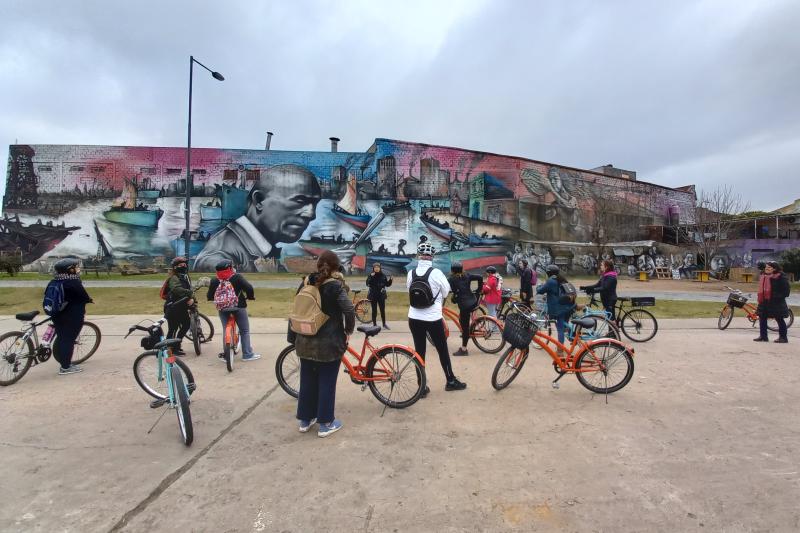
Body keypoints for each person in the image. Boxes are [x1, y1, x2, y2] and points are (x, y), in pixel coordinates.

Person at [194, 164, 322, 272]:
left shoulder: (255, 251)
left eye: (315, 204)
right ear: (259, 200)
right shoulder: (217, 259)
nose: (311, 214)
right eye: (299, 201)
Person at [288, 250, 355, 437]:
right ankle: (326, 423)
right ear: (336, 266)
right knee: (327, 382)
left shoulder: (306, 281)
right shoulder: (335, 286)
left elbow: (297, 309)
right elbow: (349, 310)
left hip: (304, 341)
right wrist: (348, 330)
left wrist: (293, 338)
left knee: (307, 380)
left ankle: (305, 419)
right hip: (329, 344)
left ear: (318, 265)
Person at [407, 242, 466, 394]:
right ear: (431, 257)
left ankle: (421, 387)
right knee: (442, 349)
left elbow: (410, 290)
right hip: (433, 318)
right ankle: (450, 381)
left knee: (419, 351)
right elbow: (446, 292)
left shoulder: (411, 273)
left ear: (418, 256)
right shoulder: (437, 273)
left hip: (414, 317)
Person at [207, 260, 260, 361]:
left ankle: (227, 356)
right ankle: (247, 354)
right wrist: (250, 296)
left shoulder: (215, 280)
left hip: (223, 309)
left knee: (225, 329)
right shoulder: (237, 277)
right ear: (230, 268)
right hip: (238, 306)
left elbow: (210, 295)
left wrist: (211, 299)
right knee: (244, 331)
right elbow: (249, 288)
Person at [49, 258, 92, 375]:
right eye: (75, 267)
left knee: (63, 337)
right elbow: (84, 297)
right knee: (68, 340)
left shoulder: (55, 281)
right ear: (70, 270)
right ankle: (65, 367)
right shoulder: (73, 282)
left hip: (57, 314)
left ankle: (64, 361)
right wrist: (89, 300)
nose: (78, 269)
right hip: (71, 316)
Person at [447, 262, 483, 356]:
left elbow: (445, 288)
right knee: (461, 319)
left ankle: (464, 350)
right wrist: (479, 290)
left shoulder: (451, 279)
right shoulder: (467, 275)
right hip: (473, 301)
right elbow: (480, 277)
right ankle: (465, 334)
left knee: (465, 327)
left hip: (465, 306)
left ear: (452, 270)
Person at [536, 264, 576, 346]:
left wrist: (538, 287)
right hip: (567, 306)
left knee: (560, 329)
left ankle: (560, 349)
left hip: (558, 308)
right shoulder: (561, 279)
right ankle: (573, 336)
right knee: (565, 325)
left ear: (548, 273)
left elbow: (540, 291)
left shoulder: (551, 281)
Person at [753, 261, 791, 343]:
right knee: (762, 318)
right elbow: (761, 268)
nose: (767, 268)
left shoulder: (781, 277)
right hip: (764, 301)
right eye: (766, 267)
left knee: (779, 319)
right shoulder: (764, 275)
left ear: (775, 269)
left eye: (769, 267)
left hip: (776, 302)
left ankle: (783, 338)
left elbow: (786, 292)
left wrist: (776, 297)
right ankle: (763, 337)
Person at [163, 257, 193, 356]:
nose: (184, 266)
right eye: (181, 265)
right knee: (173, 329)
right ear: (175, 267)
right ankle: (168, 349)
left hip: (181, 307)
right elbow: (177, 289)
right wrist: (189, 293)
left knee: (186, 325)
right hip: (173, 307)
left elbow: (189, 290)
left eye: (185, 264)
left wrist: (192, 299)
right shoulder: (173, 278)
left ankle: (176, 345)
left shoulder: (184, 277)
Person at [366, 263, 392, 329]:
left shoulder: (383, 275)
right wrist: (371, 277)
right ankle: (374, 324)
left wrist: (390, 280)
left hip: (381, 295)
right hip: (373, 295)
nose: (376, 268)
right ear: (373, 268)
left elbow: (387, 284)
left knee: (382, 310)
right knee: (374, 311)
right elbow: (367, 283)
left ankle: (384, 324)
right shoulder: (371, 275)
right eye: (375, 267)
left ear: (380, 268)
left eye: (378, 267)